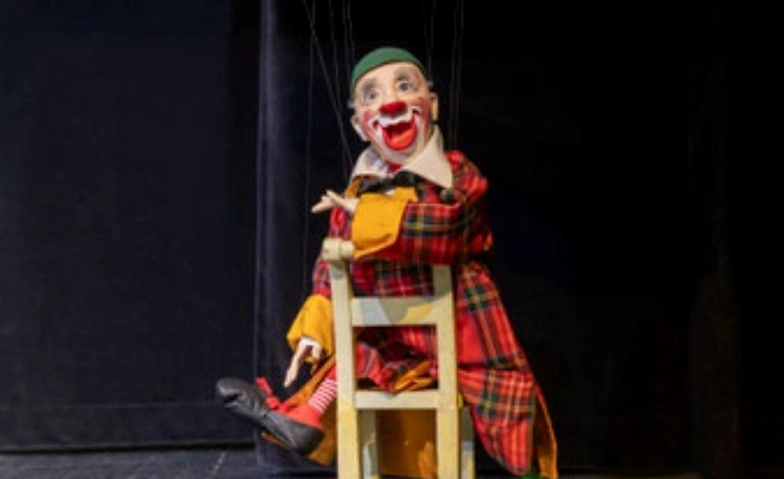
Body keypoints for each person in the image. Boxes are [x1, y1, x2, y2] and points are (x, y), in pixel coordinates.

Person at [217, 46, 558, 478]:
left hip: (461, 333)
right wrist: (316, 329)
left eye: (404, 86)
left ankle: (530, 474)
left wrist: (366, 213)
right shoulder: (356, 192)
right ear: (360, 125)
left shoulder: (455, 175)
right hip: (389, 340)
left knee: (509, 409)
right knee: (351, 357)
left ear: (433, 105)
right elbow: (331, 265)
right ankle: (302, 418)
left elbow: (447, 228)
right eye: (372, 95)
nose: (391, 102)